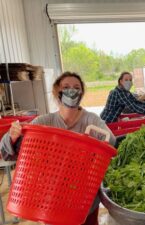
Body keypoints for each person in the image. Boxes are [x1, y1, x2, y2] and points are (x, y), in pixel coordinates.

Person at [0, 71, 116, 225]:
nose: (72, 91)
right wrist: (12, 137)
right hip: (51, 198)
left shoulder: (91, 120)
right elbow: (7, 152)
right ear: (57, 92)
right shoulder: (44, 121)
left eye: (76, 87)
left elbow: (111, 141)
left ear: (81, 93)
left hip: (84, 198)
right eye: (66, 87)